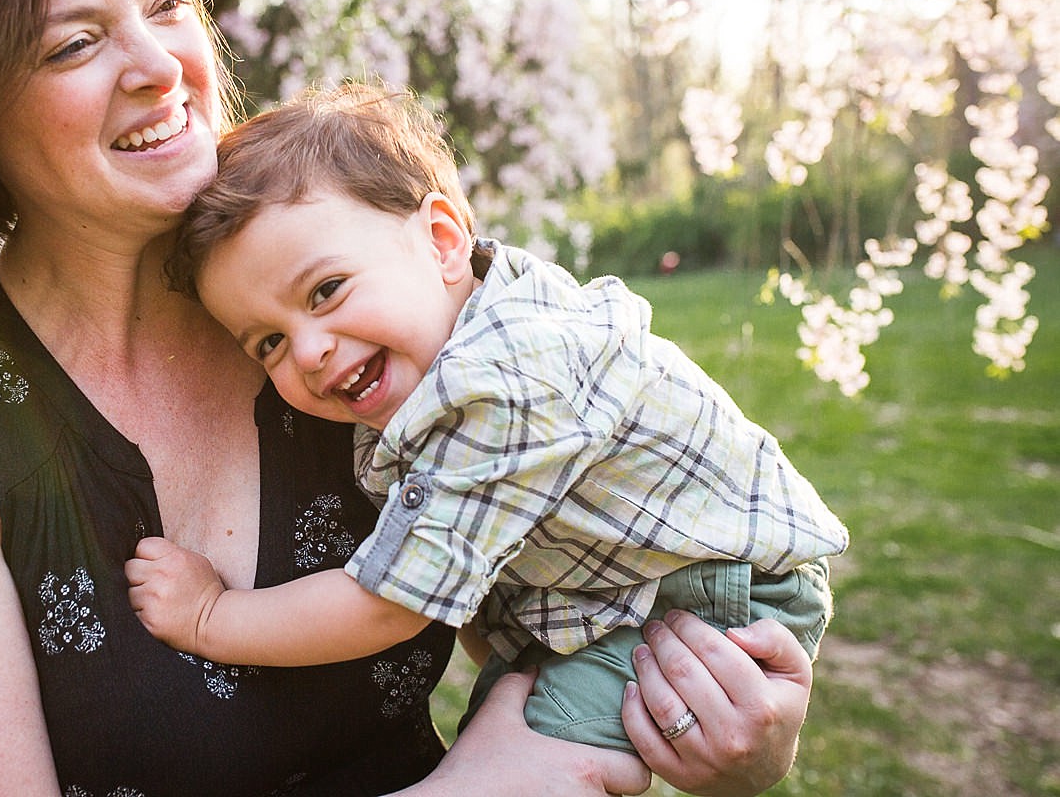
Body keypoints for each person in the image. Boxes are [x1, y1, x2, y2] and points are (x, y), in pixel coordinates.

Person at [0, 0, 813, 797]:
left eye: (168, 6)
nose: (161, 66)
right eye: (75, 42)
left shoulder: (335, 323)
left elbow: (572, 596)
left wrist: (730, 740)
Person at [128, 81, 848, 756]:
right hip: (634, 582)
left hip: (717, 589)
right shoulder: (465, 326)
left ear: (443, 240)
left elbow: (388, 605)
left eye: (325, 291)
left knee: (523, 752)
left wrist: (208, 618)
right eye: (269, 342)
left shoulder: (507, 378)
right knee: (499, 727)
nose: (310, 352)